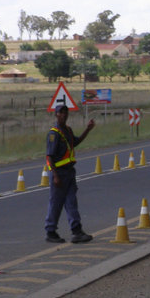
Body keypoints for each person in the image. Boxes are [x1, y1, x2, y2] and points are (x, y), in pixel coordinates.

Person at [44, 104, 95, 243]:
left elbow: (76, 142)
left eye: (66, 112)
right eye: (61, 112)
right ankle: (50, 231)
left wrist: (87, 130)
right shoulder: (53, 134)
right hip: (59, 174)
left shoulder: (67, 130)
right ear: (56, 115)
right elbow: (49, 157)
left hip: (69, 173)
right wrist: (55, 176)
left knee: (71, 201)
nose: (64, 115)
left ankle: (76, 231)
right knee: (56, 203)